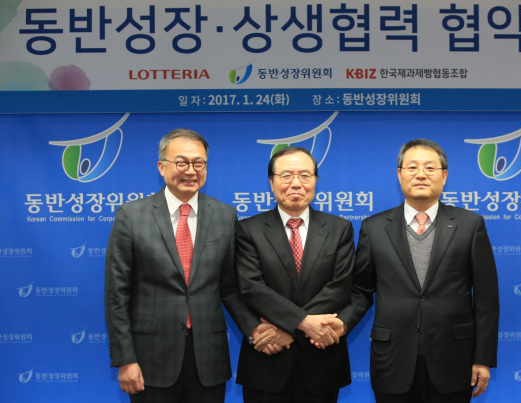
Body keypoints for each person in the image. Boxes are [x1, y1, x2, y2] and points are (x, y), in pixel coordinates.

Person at [105, 129, 271, 403]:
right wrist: (125, 359)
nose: (191, 171)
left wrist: (255, 329)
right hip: (150, 359)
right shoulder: (131, 215)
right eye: (181, 162)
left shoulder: (224, 215)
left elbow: (230, 288)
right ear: (162, 166)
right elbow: (117, 295)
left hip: (209, 357)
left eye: (199, 163)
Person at [341, 139, 500, 403]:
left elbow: (486, 299)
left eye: (430, 167)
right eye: (412, 167)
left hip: (454, 359)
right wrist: (341, 322)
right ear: (399, 174)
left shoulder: (470, 225)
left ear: (444, 175)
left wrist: (483, 358)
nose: (421, 174)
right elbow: (361, 290)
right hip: (392, 358)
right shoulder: (374, 227)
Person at [235, 146, 355, 403]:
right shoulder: (248, 230)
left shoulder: (340, 228)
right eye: (286, 176)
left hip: (321, 362)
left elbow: (340, 287)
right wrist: (305, 323)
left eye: (305, 175)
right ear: (271, 182)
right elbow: (252, 288)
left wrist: (293, 330)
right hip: (266, 360)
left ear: (315, 180)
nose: (296, 183)